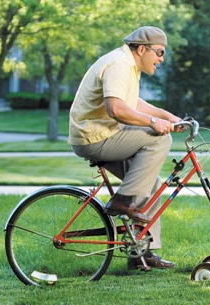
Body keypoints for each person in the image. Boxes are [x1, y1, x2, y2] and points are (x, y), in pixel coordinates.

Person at [68, 26, 181, 270]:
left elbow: (132, 103)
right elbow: (116, 109)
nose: (161, 59)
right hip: (95, 138)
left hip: (103, 135)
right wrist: (154, 123)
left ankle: (141, 254)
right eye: (159, 52)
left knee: (150, 183)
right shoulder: (119, 64)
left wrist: (166, 116)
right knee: (159, 139)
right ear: (142, 49)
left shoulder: (127, 65)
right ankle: (122, 201)